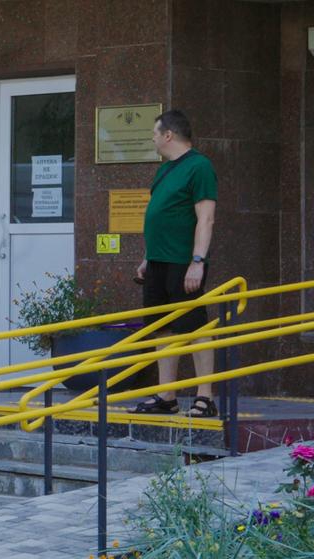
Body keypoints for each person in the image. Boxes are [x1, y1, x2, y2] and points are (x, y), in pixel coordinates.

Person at [132, 110, 219, 418]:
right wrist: (147, 256)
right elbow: (161, 216)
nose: (153, 138)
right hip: (158, 261)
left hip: (184, 262)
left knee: (195, 327)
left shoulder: (199, 167)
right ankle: (166, 396)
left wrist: (198, 261)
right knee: (163, 329)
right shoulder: (165, 170)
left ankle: (205, 396)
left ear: (168, 135)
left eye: (155, 133)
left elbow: (205, 218)